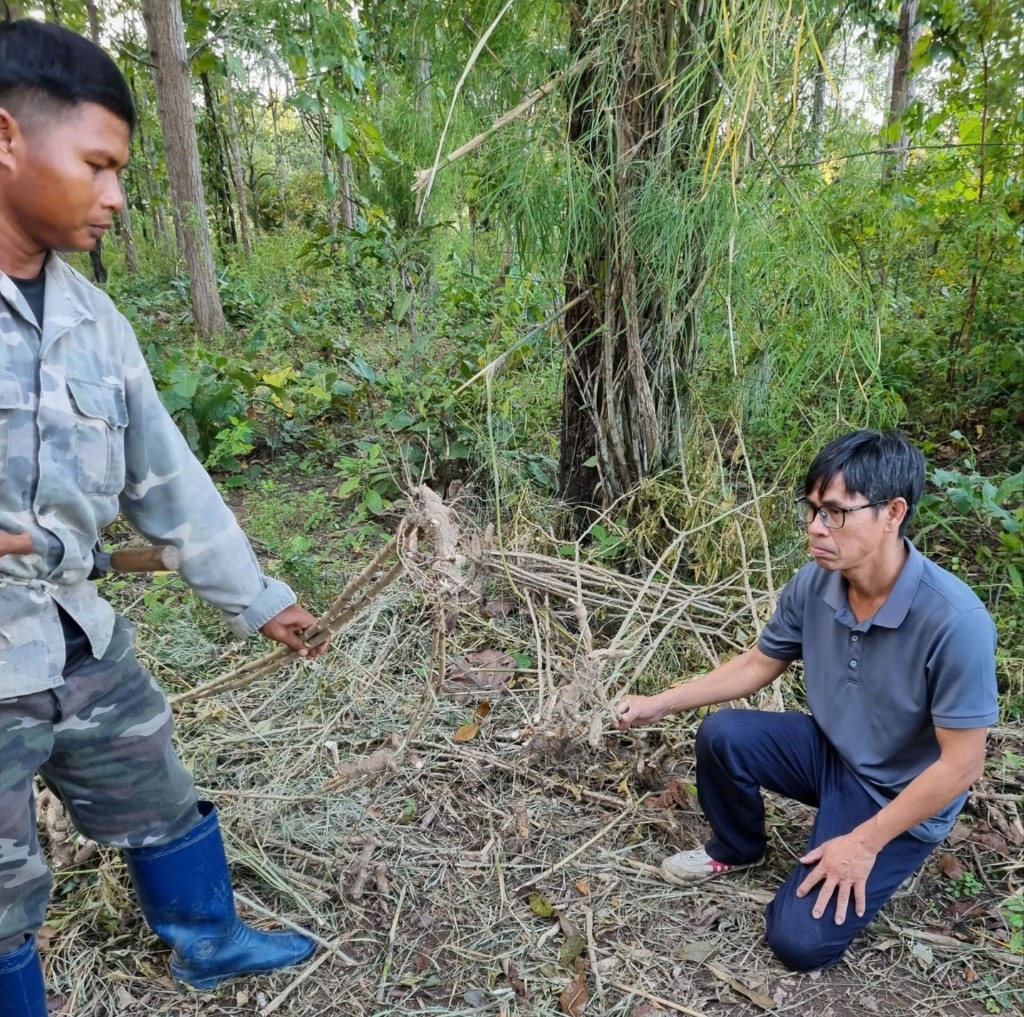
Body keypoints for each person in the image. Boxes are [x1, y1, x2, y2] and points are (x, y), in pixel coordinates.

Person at [0, 20, 329, 1014]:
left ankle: (208, 941)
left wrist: (260, 599)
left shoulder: (93, 322)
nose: (115, 197)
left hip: (73, 628)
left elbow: (166, 480)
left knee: (153, 781)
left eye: (121, 172)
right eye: (97, 165)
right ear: (7, 139)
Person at [616, 429, 998, 972]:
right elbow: (758, 664)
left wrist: (862, 843)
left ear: (893, 513)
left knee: (799, 942)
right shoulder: (815, 583)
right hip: (832, 753)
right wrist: (660, 703)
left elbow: (962, 765)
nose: (816, 527)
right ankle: (736, 847)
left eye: (836, 513)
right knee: (724, 734)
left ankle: (875, 846)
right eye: (813, 509)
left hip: (896, 791)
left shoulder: (955, 621)